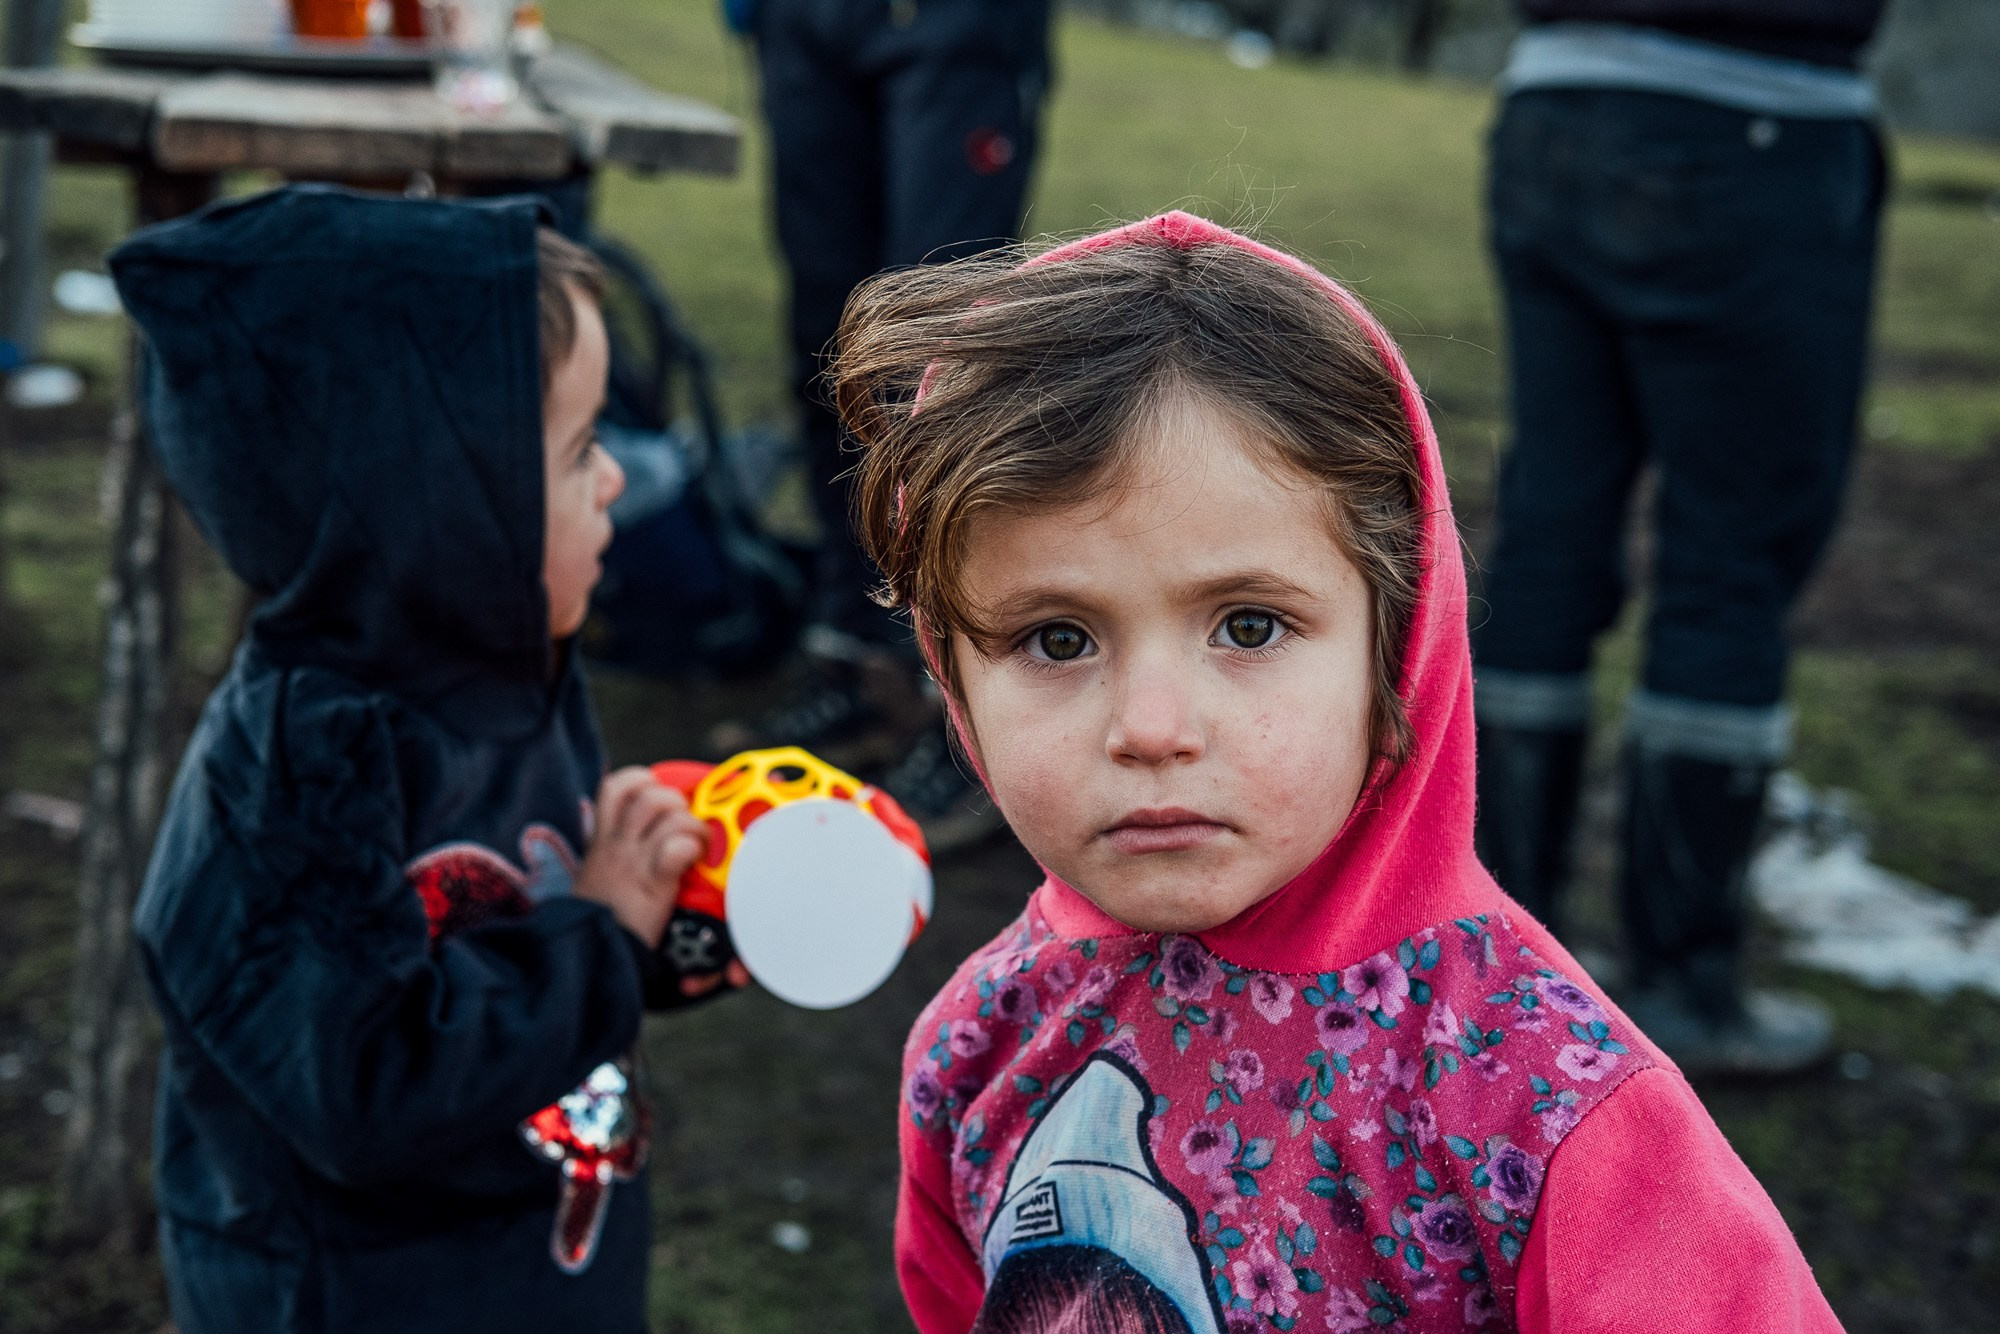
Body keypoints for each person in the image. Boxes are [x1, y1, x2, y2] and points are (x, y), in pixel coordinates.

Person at [832, 213, 1842, 1332]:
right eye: (1057, 639)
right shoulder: (978, 1042)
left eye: (1248, 625)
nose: (1152, 726)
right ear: (950, 671)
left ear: (1396, 640)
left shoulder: (1549, 1105)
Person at [113, 186, 744, 1334]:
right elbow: (370, 1084)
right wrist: (599, 938)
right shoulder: (293, 782)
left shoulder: (510, 666)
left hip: (540, 1266)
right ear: (439, 509)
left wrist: (672, 923)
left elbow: (528, 926)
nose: (614, 480)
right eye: (576, 448)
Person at [1472, 1, 1889, 1075]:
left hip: (1549, 104)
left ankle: (1483, 948)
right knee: (1727, 557)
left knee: (1548, 530)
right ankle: (1679, 976)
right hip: (1749, 119)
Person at [709, 0, 1054, 848]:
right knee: (828, 343)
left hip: (949, 25)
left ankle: (972, 717)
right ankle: (861, 662)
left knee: (939, 357)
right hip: (804, 20)